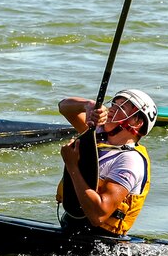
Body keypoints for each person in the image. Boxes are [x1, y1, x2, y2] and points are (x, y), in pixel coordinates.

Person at [58, 89, 156, 236]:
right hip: (70, 226)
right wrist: (88, 105)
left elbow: (98, 215)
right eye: (114, 104)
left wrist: (72, 166)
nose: (111, 110)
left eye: (121, 108)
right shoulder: (97, 135)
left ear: (137, 122)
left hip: (100, 240)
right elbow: (63, 107)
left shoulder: (130, 161)